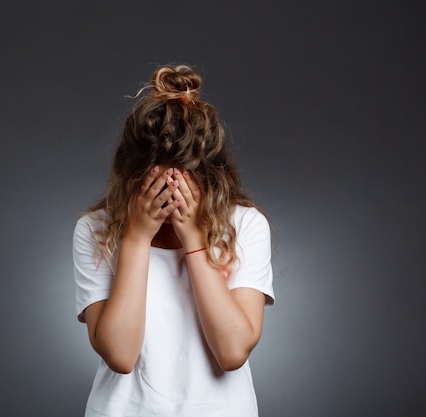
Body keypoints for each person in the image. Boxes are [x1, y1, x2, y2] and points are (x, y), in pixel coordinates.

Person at [73, 64, 275, 417]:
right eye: (155, 181)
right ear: (131, 174)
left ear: (208, 174)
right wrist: (136, 238)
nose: (169, 193)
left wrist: (195, 239)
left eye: (181, 181)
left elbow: (232, 352)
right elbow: (120, 355)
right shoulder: (96, 229)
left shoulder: (244, 226)